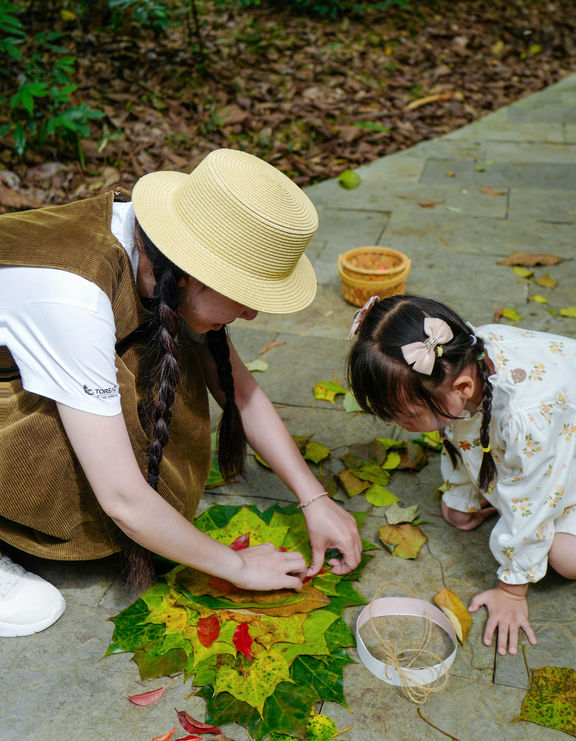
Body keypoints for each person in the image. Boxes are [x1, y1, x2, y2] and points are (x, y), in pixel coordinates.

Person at [0, 148, 361, 637]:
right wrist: (237, 567)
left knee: (175, 347)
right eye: (247, 296)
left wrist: (313, 497)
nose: (253, 315)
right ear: (191, 274)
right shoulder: (73, 298)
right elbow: (124, 498)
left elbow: (236, 385)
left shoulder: (156, 250)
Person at [347, 294, 576, 656]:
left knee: (570, 558)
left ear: (463, 391)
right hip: (562, 436)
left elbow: (537, 496)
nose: (400, 427)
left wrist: (512, 588)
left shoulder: (530, 413)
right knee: (459, 511)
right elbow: (460, 427)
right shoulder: (458, 356)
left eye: (406, 417)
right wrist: (461, 496)